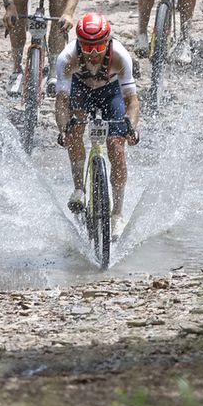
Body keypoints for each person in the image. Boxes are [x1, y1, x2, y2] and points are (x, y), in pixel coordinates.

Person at [54, 12, 140, 241]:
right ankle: (79, 189)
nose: (93, 53)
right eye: (87, 46)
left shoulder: (120, 56)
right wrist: (64, 128)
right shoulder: (66, 58)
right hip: (80, 90)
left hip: (110, 91)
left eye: (99, 46)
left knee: (116, 147)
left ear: (108, 42)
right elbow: (62, 103)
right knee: (74, 132)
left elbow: (132, 100)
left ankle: (117, 214)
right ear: (78, 44)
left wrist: (130, 126)